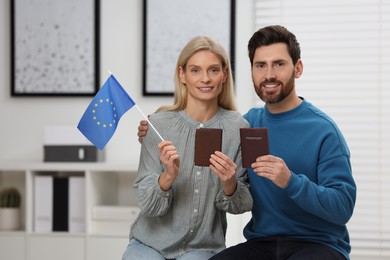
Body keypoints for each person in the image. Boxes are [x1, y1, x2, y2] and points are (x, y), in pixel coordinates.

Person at [138, 25, 357, 260]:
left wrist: (291, 181)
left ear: (298, 68)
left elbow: (343, 207)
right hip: (261, 244)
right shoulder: (247, 124)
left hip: (318, 244)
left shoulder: (324, 130)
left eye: (279, 64)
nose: (269, 74)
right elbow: (205, 131)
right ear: (252, 70)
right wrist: (154, 129)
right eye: (260, 65)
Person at [122, 36, 253, 260]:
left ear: (224, 75)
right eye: (195, 70)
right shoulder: (158, 124)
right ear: (182, 74)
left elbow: (243, 204)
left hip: (202, 247)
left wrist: (230, 182)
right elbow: (147, 204)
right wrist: (167, 177)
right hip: (149, 243)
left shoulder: (238, 128)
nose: (205, 79)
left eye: (213, 70)